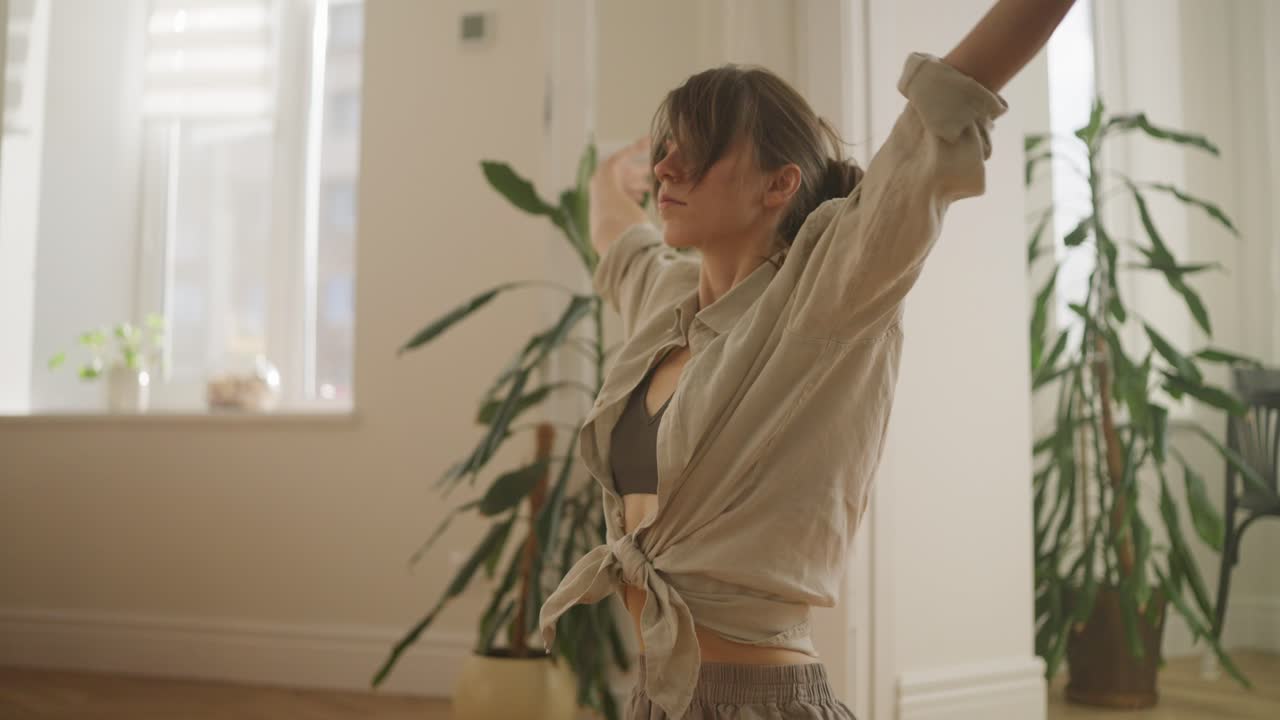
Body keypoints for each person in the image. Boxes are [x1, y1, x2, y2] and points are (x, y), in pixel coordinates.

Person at [540, 1, 1079, 717]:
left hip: (758, 702)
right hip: (657, 698)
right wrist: (618, 174)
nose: (670, 166)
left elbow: (950, 96)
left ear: (780, 183)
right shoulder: (668, 308)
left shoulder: (828, 290)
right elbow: (616, 235)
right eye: (666, 148)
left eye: (697, 150)